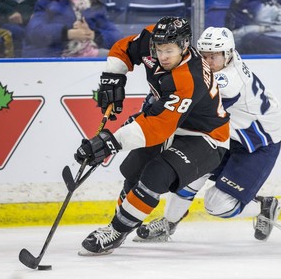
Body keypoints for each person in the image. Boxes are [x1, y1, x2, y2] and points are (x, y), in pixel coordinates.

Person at [73, 16, 230, 255]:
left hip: (207, 138)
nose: (163, 56)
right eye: (159, 49)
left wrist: (110, 144)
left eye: (169, 50)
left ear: (185, 45)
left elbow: (157, 128)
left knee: (156, 174)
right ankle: (120, 222)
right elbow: (124, 47)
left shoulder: (189, 78)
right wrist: (113, 76)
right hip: (174, 123)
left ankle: (116, 232)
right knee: (133, 173)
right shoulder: (153, 39)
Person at [132, 27, 281, 243]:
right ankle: (168, 224)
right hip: (227, 134)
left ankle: (264, 206)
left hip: (256, 143)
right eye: (203, 55)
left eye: (213, 56)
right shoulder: (215, 63)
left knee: (217, 205)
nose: (207, 60)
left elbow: (191, 109)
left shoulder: (229, 82)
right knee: (190, 173)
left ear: (228, 54)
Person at [22, 0, 122, 58]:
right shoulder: (47, 4)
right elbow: (34, 31)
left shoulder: (94, 6)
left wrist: (92, 34)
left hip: (89, 54)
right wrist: (68, 33)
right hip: (55, 56)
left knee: (118, 59)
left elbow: (116, 37)